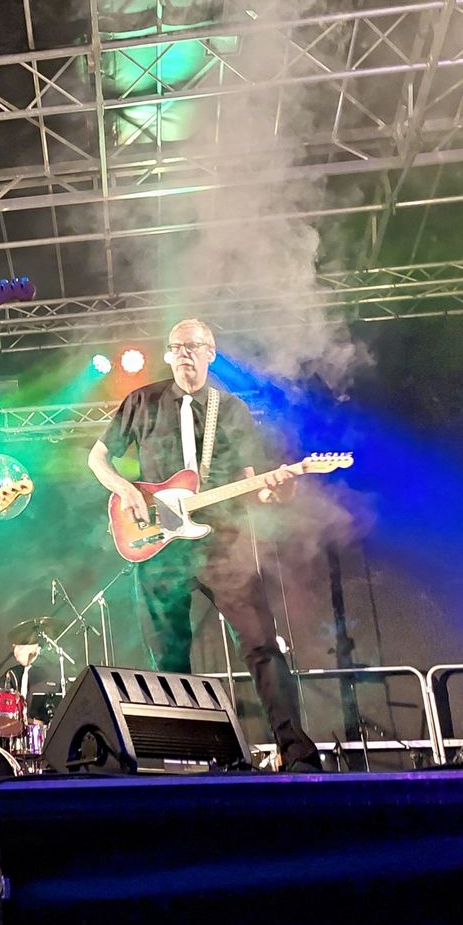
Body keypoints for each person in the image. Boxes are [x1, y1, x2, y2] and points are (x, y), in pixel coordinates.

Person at [86, 318, 323, 771]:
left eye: (192, 346)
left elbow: (252, 484)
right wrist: (126, 489)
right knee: (168, 656)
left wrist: (279, 487)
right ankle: (184, 758)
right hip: (160, 545)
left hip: (222, 543)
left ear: (211, 353)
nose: (182, 354)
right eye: (175, 347)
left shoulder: (230, 409)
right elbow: (97, 458)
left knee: (261, 644)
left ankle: (296, 751)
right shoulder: (142, 401)